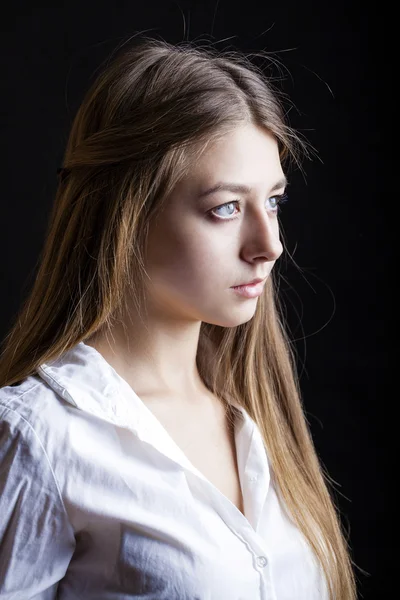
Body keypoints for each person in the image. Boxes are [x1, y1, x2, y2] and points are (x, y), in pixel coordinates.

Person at [0, 36, 357, 599]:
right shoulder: (40, 435)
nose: (270, 245)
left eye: (274, 201)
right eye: (225, 208)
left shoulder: (257, 415)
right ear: (126, 213)